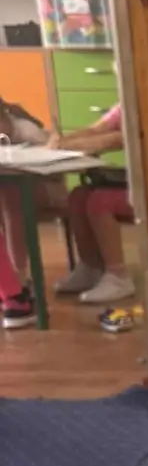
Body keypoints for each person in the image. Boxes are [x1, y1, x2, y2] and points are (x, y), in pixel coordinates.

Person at [48, 102, 136, 306]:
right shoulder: (125, 104)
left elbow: (118, 139)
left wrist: (66, 145)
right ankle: (91, 267)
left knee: (100, 202)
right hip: (137, 181)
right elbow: (97, 129)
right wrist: (62, 141)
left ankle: (119, 276)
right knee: (78, 197)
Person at [0, 96, 54, 329]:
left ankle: (16, 286)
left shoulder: (26, 129)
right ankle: (14, 293)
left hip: (39, 186)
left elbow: (55, 162)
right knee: (9, 195)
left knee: (12, 197)